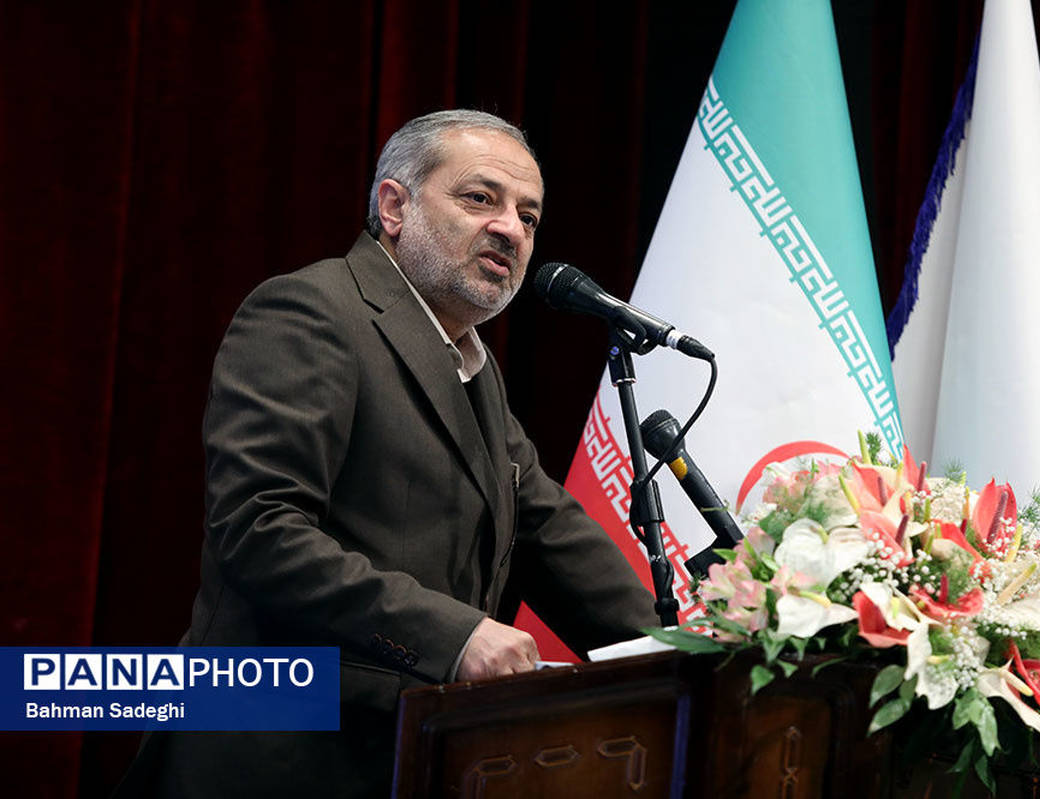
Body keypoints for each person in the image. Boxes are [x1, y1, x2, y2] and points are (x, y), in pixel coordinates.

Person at [120, 110, 657, 797]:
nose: (512, 229)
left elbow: (548, 529)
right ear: (395, 206)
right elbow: (259, 530)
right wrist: (455, 636)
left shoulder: (473, 367)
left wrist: (680, 652)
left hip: (407, 753)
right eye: (480, 198)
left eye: (529, 216)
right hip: (276, 757)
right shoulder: (312, 311)